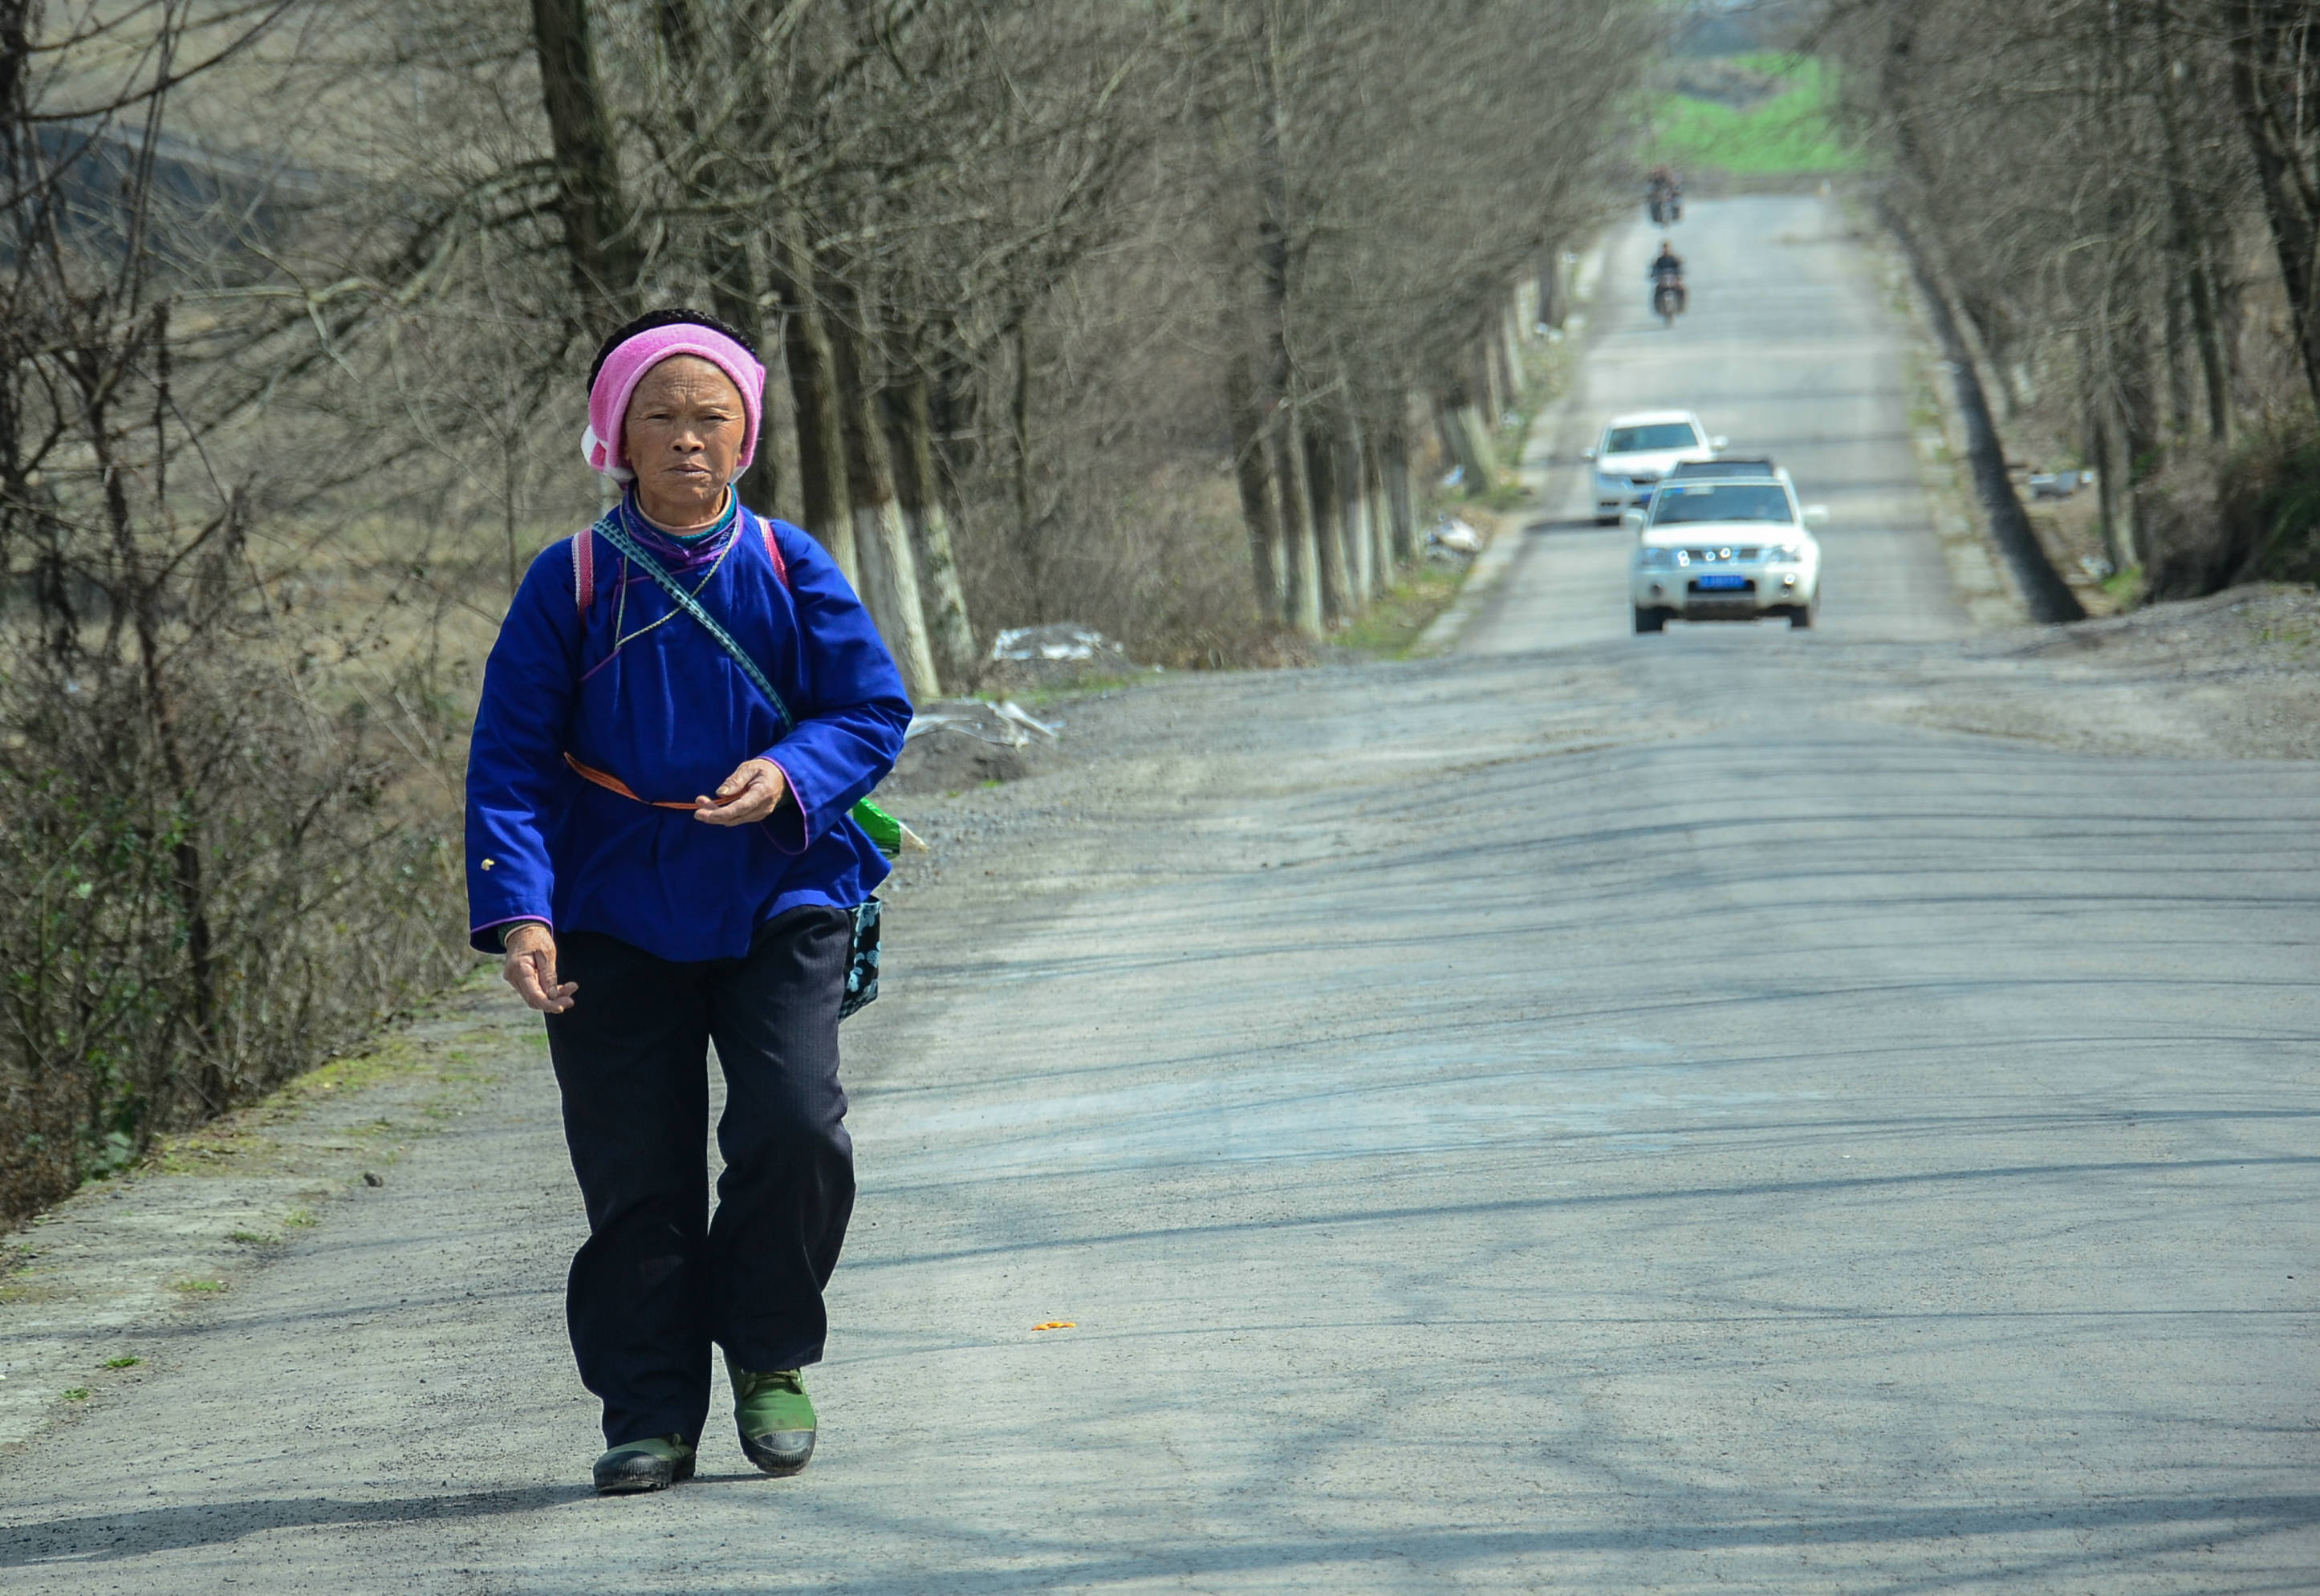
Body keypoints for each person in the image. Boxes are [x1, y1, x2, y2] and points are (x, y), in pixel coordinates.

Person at [465, 309, 912, 1495]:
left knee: (794, 1125)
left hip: (778, 891)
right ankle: (650, 1410)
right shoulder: (566, 583)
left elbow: (871, 710)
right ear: (614, 435)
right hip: (610, 909)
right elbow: (508, 761)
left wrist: (789, 774)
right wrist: (521, 911)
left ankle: (769, 1354)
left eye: (709, 416)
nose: (685, 439)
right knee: (634, 1171)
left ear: (745, 433)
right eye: (658, 416)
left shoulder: (787, 565)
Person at [1648, 241, 1687, 313]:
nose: (1666, 251)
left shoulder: (1675, 259)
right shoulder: (1659, 261)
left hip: (1673, 282)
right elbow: (1654, 270)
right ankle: (1657, 308)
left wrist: (1679, 278)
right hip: (1663, 283)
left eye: (1667, 249)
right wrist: (1653, 276)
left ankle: (1681, 307)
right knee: (1656, 291)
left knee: (1682, 289)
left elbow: (1679, 269)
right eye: (1664, 249)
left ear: (1670, 249)